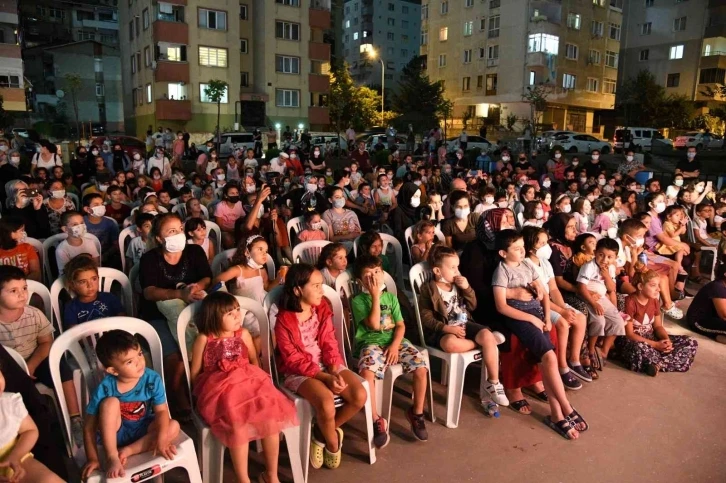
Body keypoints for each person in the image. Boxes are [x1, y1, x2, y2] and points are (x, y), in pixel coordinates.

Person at [190, 292, 297, 483]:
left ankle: (271, 474)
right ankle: (243, 479)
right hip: (220, 390)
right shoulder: (205, 339)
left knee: (270, 419)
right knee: (237, 425)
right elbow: (195, 372)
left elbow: (254, 360)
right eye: (230, 313)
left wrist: (260, 386)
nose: (238, 316)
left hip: (249, 382)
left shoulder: (244, 334)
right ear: (214, 317)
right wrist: (201, 396)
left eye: (238, 310)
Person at [492, 230, 587, 439]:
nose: (522, 251)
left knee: (547, 361)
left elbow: (543, 293)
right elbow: (501, 307)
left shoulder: (527, 264)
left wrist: (545, 317)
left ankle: (556, 415)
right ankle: (566, 407)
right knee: (549, 357)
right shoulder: (502, 271)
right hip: (519, 317)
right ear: (502, 253)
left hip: (537, 315)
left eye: (522, 247)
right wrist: (532, 319)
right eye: (516, 249)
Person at [274, 264, 367, 470]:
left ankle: (320, 432)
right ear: (298, 290)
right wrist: (324, 378)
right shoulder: (284, 321)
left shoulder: (322, 307)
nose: (321, 290)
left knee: (359, 395)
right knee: (326, 402)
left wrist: (333, 368)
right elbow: (292, 359)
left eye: (321, 285)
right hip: (298, 371)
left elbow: (328, 341)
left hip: (326, 362)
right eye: (315, 286)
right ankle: (333, 441)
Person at [139, 213, 212, 418]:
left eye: (180, 229)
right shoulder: (150, 259)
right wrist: (178, 294)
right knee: (176, 358)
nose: (178, 234)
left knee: (205, 345)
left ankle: (202, 390)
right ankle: (176, 395)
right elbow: (149, 292)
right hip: (157, 314)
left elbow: (207, 276)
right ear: (160, 239)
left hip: (192, 307)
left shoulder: (195, 251)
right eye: (171, 231)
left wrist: (197, 287)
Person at [351, 255, 430, 447]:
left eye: (377, 272)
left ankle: (416, 413)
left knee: (421, 368)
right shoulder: (358, 301)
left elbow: (401, 326)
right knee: (366, 373)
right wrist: (375, 296)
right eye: (368, 275)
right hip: (370, 343)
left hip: (396, 341)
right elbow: (374, 325)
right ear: (360, 281)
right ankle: (376, 419)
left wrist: (395, 345)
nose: (374, 277)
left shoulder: (392, 298)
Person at [80, 330, 179, 479]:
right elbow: (88, 428)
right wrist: (93, 459)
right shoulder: (106, 387)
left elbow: (161, 412)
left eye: (139, 354)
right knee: (110, 403)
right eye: (129, 361)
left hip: (142, 428)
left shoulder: (152, 379)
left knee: (173, 426)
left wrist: (162, 438)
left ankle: (128, 450)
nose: (140, 362)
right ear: (113, 370)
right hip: (115, 433)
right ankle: (113, 456)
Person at [419, 245, 509, 406]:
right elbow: (426, 318)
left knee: (486, 335)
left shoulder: (458, 285)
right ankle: (485, 343)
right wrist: (446, 328)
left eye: (457, 267)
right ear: (437, 271)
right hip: (444, 330)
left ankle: (493, 383)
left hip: (465, 323)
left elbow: (473, 305)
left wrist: (467, 288)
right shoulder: (429, 289)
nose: (457, 271)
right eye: (452, 268)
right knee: (450, 344)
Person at [522, 227, 589, 387]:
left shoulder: (545, 263)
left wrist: (564, 308)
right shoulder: (526, 264)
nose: (547, 247)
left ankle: (574, 360)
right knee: (562, 323)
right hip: (538, 304)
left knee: (580, 318)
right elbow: (540, 296)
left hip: (552, 301)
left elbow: (553, 289)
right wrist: (561, 312)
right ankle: (562, 366)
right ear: (531, 246)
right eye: (542, 243)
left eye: (547, 242)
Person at [615, 267, 698, 375]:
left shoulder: (654, 301)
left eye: (658, 285)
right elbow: (629, 334)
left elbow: (658, 326)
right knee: (638, 349)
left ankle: (656, 364)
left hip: (651, 338)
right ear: (640, 286)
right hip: (634, 340)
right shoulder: (630, 302)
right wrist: (655, 345)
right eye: (653, 285)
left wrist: (666, 340)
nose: (658, 289)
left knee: (690, 342)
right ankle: (662, 362)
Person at [213, 234, 287, 347]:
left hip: (263, 306)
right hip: (247, 311)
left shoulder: (261, 271)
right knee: (260, 334)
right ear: (247, 253)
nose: (264, 253)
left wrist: (277, 280)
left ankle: (274, 355)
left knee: (278, 327)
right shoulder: (238, 270)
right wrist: (226, 295)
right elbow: (217, 280)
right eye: (260, 249)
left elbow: (266, 288)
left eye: (266, 251)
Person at [0, 364, 65, 482]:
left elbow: (30, 430)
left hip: (16, 458)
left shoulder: (9, 403)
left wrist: (16, 456)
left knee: (49, 480)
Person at [576, 237, 626, 372]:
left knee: (618, 322)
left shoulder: (609, 268)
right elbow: (581, 287)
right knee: (599, 321)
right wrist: (594, 304)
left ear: (615, 258)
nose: (605, 260)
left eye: (610, 257)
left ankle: (603, 352)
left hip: (602, 298)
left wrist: (607, 276)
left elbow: (612, 288)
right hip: (588, 297)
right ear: (595, 252)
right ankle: (591, 351)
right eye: (601, 255)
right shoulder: (588, 266)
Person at [62, 254, 124, 328]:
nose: (90, 285)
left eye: (94, 279)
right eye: (83, 282)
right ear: (72, 285)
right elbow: (73, 334)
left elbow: (123, 322)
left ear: (98, 278)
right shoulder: (71, 308)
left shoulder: (110, 298)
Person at [82, 193, 119, 267]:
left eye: (102, 204)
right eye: (96, 205)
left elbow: (116, 244)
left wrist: (105, 256)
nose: (101, 207)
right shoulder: (81, 222)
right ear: (87, 209)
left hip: (107, 256)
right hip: (85, 258)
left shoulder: (110, 223)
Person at [322, 186, 361, 251]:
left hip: (355, 244)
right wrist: (349, 236)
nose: (341, 199)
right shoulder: (327, 214)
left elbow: (358, 232)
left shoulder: (351, 213)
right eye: (337, 197)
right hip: (338, 247)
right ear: (330, 200)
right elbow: (331, 238)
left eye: (342, 196)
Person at [215, 184, 246, 249]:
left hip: (237, 230)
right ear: (226, 195)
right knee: (228, 239)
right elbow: (220, 225)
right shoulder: (220, 206)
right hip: (225, 230)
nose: (235, 195)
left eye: (236, 193)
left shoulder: (240, 204)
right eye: (232, 193)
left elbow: (243, 218)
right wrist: (232, 230)